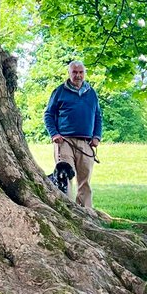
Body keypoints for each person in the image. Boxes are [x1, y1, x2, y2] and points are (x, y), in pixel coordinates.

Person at [43, 60, 102, 209]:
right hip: (64, 141)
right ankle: (67, 209)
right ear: (69, 73)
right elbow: (48, 114)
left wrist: (97, 136)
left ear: (84, 74)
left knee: (85, 179)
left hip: (86, 143)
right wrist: (54, 134)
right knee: (65, 176)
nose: (78, 75)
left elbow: (98, 116)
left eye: (81, 72)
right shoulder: (59, 91)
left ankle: (86, 211)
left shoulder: (91, 93)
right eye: (75, 72)